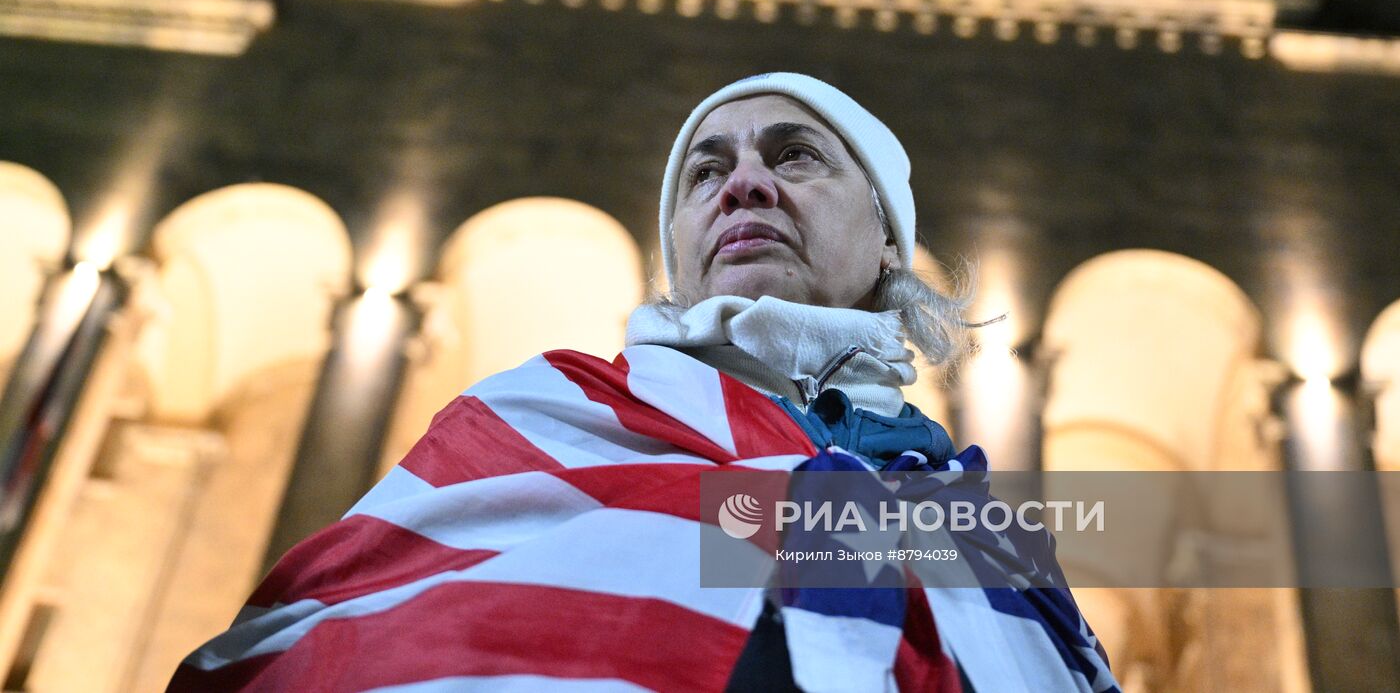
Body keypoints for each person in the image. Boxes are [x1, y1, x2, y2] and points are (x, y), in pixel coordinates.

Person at [167, 72, 1119, 692]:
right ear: (683, 250)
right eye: (707, 170)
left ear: (885, 241)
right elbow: (330, 631)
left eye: (794, 155)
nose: (743, 184)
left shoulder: (984, 528)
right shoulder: (543, 418)